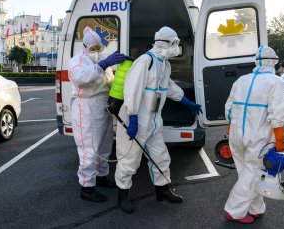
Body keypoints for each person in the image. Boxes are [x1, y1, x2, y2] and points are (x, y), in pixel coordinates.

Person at [114, 26, 202, 214]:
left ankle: (162, 190)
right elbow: (132, 90)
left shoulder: (164, 64)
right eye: (175, 43)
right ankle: (122, 195)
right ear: (164, 43)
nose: (177, 47)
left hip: (153, 123)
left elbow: (168, 87)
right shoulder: (146, 61)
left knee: (161, 157)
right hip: (135, 120)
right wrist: (133, 117)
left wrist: (186, 101)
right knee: (129, 159)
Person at [224, 45, 284, 223]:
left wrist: (230, 132)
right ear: (273, 62)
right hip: (259, 138)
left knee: (246, 173)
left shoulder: (241, 80)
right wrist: (281, 144)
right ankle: (234, 211)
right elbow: (278, 117)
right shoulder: (277, 82)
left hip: (236, 135)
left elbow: (229, 109)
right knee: (254, 173)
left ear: (256, 62)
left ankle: (255, 208)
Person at [68, 26, 126, 202]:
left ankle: (101, 176)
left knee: (105, 145)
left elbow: (109, 80)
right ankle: (87, 188)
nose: (97, 51)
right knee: (89, 149)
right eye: (94, 48)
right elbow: (82, 78)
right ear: (85, 46)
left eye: (99, 48)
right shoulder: (76, 61)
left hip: (103, 106)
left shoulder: (100, 58)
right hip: (87, 108)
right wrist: (103, 64)